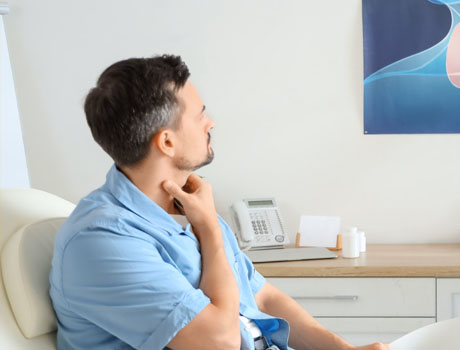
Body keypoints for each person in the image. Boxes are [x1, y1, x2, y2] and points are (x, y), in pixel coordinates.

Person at [49, 55, 388, 350]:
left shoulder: (187, 204)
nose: (210, 123)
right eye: (200, 115)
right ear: (166, 141)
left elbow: (262, 297)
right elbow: (220, 342)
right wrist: (209, 229)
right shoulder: (101, 240)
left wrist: (344, 349)